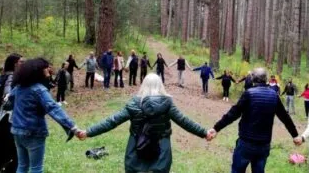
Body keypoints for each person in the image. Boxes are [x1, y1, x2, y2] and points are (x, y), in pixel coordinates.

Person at [78, 73, 214, 173]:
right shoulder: (167, 103)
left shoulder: (133, 104)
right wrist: (204, 132)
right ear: (160, 85)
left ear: (143, 85)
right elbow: (184, 121)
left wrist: (88, 132)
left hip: (136, 147)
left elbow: (112, 121)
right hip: (162, 148)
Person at [209, 68, 298, 173]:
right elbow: (285, 117)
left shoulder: (249, 94)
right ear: (266, 79)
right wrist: (295, 135)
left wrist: (216, 128)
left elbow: (233, 114)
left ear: (252, 79)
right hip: (263, 145)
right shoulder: (274, 96)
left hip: (246, 143)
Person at [9, 58, 81, 173]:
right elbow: (53, 108)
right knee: (36, 169)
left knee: (22, 166)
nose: (49, 69)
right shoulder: (39, 90)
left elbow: (9, 99)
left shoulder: (19, 87)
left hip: (17, 131)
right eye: (46, 67)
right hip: (33, 133)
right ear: (38, 70)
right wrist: (73, 127)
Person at [0, 53, 23, 173]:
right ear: (14, 64)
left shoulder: (0, 78)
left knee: (3, 149)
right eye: (20, 62)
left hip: (0, 120)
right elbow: (8, 96)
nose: (23, 64)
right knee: (14, 151)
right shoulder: (13, 78)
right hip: (10, 120)